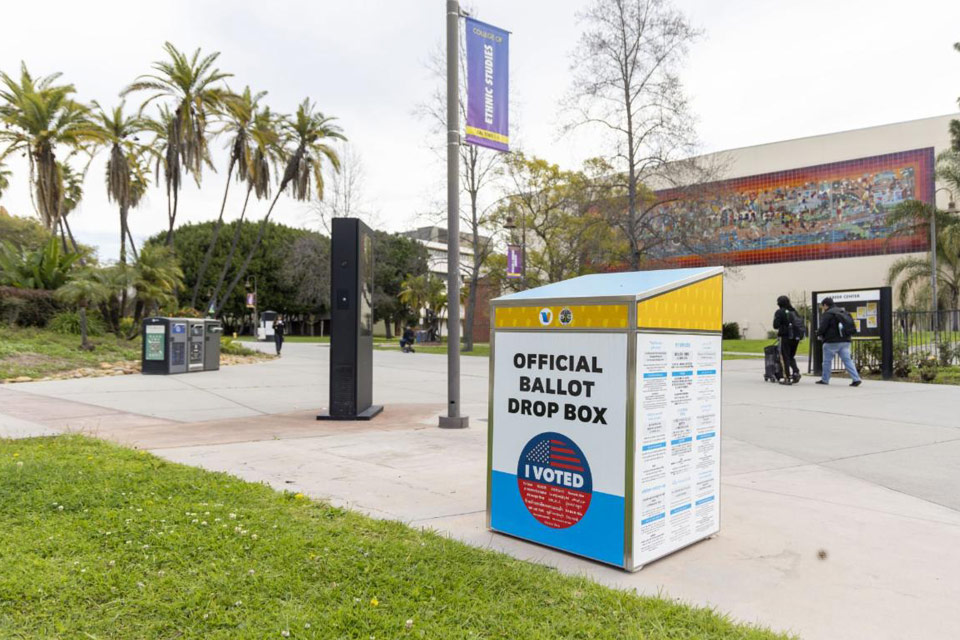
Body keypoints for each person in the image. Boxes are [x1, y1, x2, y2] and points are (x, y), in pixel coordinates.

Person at [816, 297, 862, 387]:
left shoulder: (828, 314)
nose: (823, 308)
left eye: (823, 306)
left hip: (831, 342)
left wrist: (818, 333)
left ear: (825, 305)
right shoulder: (843, 312)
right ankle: (856, 379)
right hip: (845, 341)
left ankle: (825, 379)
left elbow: (823, 328)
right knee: (848, 360)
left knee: (827, 361)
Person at [772, 295, 803, 384]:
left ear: (779, 303)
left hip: (785, 336)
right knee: (791, 356)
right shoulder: (794, 311)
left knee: (784, 356)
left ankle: (787, 377)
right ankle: (796, 372)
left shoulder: (779, 312)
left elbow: (775, 325)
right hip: (796, 337)